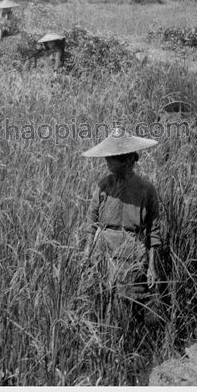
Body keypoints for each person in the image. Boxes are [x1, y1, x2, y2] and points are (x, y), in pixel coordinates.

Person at [81, 126, 161, 326]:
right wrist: (87, 252)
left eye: (112, 158)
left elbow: (154, 230)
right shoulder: (104, 185)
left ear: (126, 160)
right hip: (104, 252)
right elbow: (91, 221)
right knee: (100, 304)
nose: (107, 162)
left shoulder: (146, 189)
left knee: (130, 306)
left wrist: (152, 266)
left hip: (131, 254)